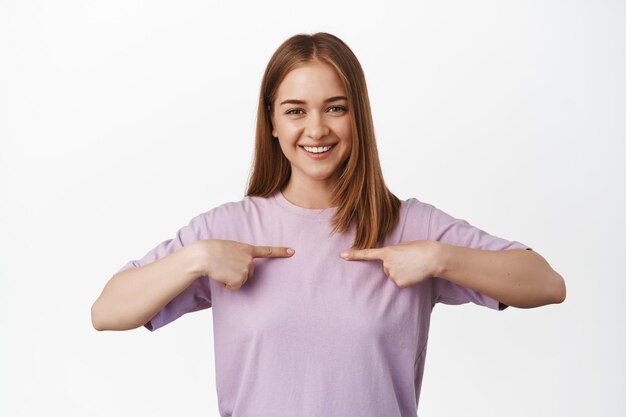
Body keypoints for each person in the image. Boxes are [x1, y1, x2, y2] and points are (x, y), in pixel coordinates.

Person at [91, 32, 566, 417]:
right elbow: (107, 312)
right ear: (272, 123)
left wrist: (441, 257)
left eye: (335, 108)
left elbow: (547, 283)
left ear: (358, 116)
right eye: (295, 111)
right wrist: (195, 258)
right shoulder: (228, 228)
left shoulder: (409, 223)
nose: (316, 129)